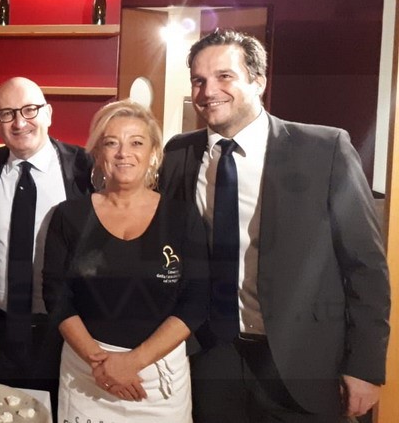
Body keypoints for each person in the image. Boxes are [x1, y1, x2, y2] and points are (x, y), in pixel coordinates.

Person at [160, 29, 390, 422]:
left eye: (224, 76)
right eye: (199, 80)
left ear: (258, 81)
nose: (208, 91)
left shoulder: (324, 149)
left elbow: (365, 265)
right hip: (212, 357)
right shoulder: (180, 153)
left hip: (305, 362)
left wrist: (365, 366)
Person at [43, 99, 208, 422]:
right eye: (111, 143)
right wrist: (100, 362)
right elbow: (57, 297)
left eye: (136, 143)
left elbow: (196, 303)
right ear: (97, 153)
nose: (123, 153)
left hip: (158, 380)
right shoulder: (69, 216)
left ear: (153, 153)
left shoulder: (182, 217)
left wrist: (132, 362)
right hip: (87, 373)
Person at [0, 77, 92, 396]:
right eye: (7, 113)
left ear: (49, 113)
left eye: (30, 110)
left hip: (65, 330)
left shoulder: (85, 168)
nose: (19, 122)